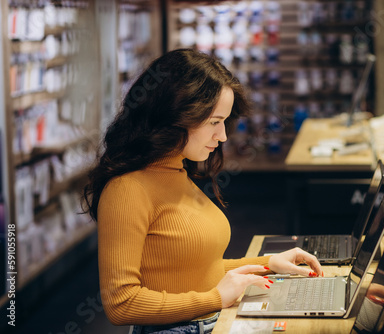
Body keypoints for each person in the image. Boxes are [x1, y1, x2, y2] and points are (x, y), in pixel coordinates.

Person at [82, 49, 323, 334]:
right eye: (213, 122)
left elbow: (195, 270)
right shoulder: (127, 189)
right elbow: (121, 303)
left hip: (208, 321)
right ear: (176, 114)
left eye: (224, 122)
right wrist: (216, 299)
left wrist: (269, 263)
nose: (222, 136)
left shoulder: (176, 170)